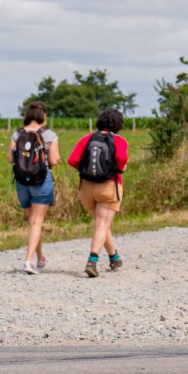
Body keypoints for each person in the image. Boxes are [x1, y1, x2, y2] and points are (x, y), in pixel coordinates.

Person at [66, 108, 129, 276]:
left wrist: (85, 170)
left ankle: (114, 258)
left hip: (87, 188)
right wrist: (121, 168)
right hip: (109, 186)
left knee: (102, 224)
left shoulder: (87, 139)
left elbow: (72, 160)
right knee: (102, 224)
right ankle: (92, 262)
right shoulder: (119, 140)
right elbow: (122, 158)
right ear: (118, 124)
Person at [8, 101, 59, 274]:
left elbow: (10, 159)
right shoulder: (50, 135)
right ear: (43, 117)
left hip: (22, 181)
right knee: (37, 222)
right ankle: (28, 261)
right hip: (41, 180)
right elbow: (53, 160)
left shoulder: (16, 134)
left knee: (33, 222)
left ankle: (41, 258)